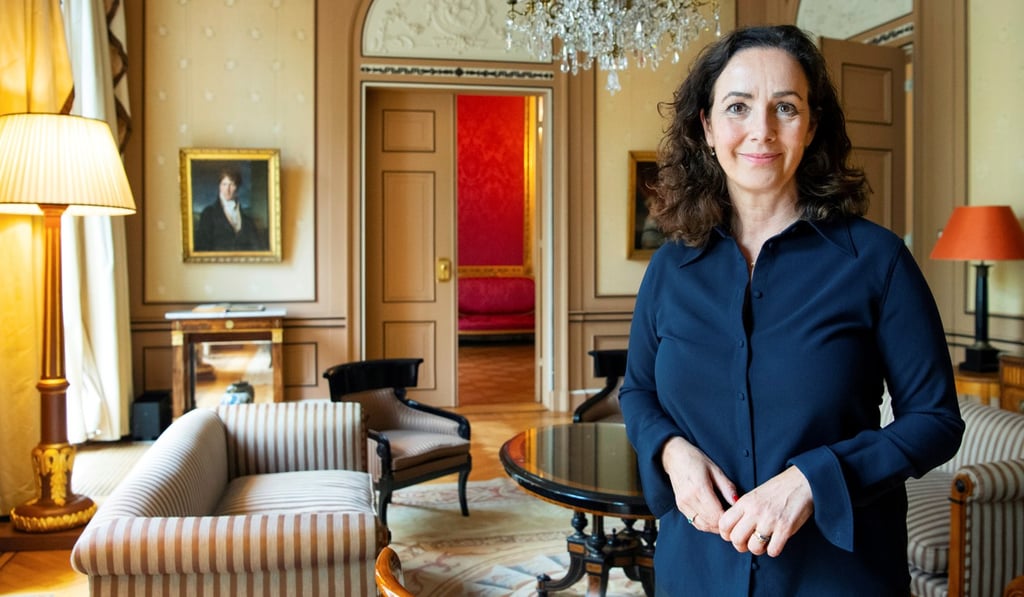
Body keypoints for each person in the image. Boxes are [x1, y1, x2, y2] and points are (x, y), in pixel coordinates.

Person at [618, 25, 964, 596]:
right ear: (706, 127)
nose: (761, 130)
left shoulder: (877, 260)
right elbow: (638, 391)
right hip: (696, 570)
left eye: (785, 107)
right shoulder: (668, 269)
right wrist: (672, 453)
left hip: (836, 574)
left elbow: (935, 422)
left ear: (812, 125)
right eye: (738, 106)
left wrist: (814, 478)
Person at [194, 166, 268, 251]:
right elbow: (202, 248)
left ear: (237, 187)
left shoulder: (247, 221)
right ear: (219, 186)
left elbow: (257, 249)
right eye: (224, 184)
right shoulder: (208, 214)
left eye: (231, 184)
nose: (227, 189)